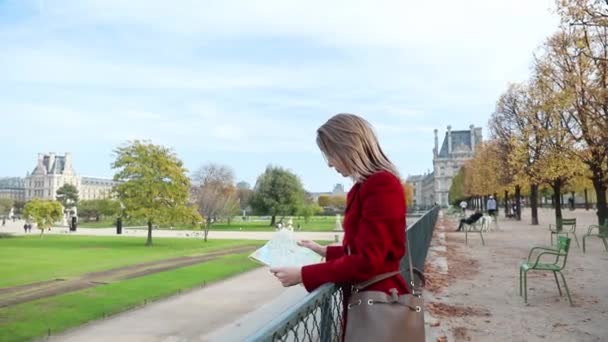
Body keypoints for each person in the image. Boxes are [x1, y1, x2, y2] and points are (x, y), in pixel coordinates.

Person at [269, 113, 409, 330]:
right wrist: (323, 251)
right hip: (368, 299)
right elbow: (364, 248)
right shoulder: (365, 186)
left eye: (330, 155)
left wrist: (302, 274)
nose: (329, 164)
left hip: (377, 302)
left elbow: (367, 261)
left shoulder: (381, 185)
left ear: (347, 148)